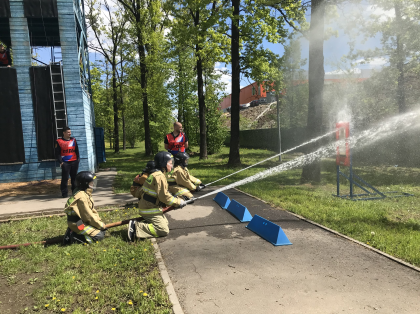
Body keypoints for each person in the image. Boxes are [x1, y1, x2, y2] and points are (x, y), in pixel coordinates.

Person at [127, 151, 187, 241]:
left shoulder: (155, 174)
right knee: (163, 230)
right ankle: (136, 227)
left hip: (148, 206)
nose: (172, 165)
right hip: (149, 209)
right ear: (163, 163)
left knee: (165, 222)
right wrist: (178, 202)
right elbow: (164, 196)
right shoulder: (159, 176)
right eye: (170, 163)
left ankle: (144, 223)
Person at [63, 171, 107, 245]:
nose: (93, 184)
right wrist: (100, 225)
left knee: (102, 230)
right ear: (85, 184)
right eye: (91, 182)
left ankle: (73, 231)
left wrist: (99, 223)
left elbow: (91, 211)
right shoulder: (82, 197)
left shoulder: (84, 193)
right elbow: (88, 216)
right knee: (99, 235)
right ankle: (74, 237)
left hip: (80, 221)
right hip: (77, 224)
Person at [55, 126, 80, 197]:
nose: (70, 133)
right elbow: (57, 153)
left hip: (74, 161)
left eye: (70, 132)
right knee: (65, 178)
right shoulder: (59, 141)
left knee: (74, 178)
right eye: (68, 132)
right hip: (65, 163)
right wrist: (61, 162)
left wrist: (78, 160)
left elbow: (76, 150)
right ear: (64, 133)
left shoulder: (73, 140)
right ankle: (64, 193)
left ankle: (75, 192)